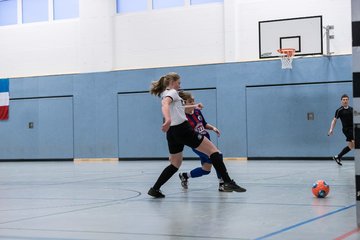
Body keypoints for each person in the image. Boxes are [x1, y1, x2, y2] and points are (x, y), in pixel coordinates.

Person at [148, 72, 246, 198]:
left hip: (172, 133)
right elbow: (165, 105)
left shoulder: (164, 92)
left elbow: (177, 107)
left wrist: (195, 106)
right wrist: (167, 119)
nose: (179, 85)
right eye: (179, 83)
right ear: (172, 82)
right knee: (214, 152)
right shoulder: (172, 92)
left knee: (175, 164)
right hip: (183, 129)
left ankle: (155, 189)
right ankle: (226, 182)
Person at [177, 91, 225, 191]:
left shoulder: (197, 112)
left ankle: (185, 176)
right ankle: (222, 182)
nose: (193, 103)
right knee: (218, 155)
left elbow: (204, 124)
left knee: (206, 170)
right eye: (191, 102)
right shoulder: (182, 118)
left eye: (194, 101)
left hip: (207, 141)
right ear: (184, 103)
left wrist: (213, 128)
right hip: (197, 145)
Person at [328, 94, 354, 166]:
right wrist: (331, 129)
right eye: (343, 100)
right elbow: (334, 120)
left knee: (351, 146)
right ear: (341, 101)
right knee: (356, 142)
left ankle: (338, 157)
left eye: (346, 99)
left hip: (353, 129)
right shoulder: (339, 110)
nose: (345, 101)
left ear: (348, 100)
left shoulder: (352, 109)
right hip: (346, 129)